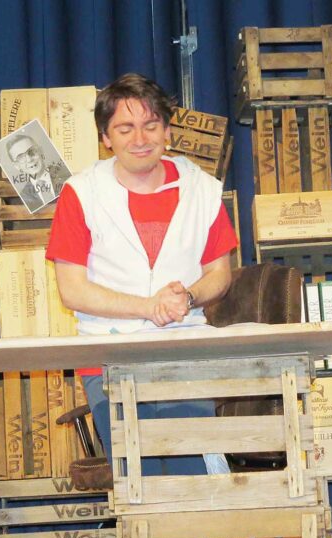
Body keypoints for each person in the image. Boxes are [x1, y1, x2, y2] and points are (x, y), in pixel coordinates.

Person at [45, 73, 237, 478]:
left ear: (167, 130)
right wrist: (148, 307)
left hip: (184, 356)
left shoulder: (201, 190)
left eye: (151, 125)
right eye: (125, 128)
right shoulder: (81, 194)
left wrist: (187, 298)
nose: (140, 139)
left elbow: (220, 273)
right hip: (108, 359)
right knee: (138, 482)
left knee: (191, 482)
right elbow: (72, 290)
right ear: (106, 138)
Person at [7, 132, 70, 210]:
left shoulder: (66, 173)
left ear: (41, 151)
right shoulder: (24, 196)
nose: (29, 159)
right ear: (17, 166)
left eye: (32, 151)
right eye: (21, 157)